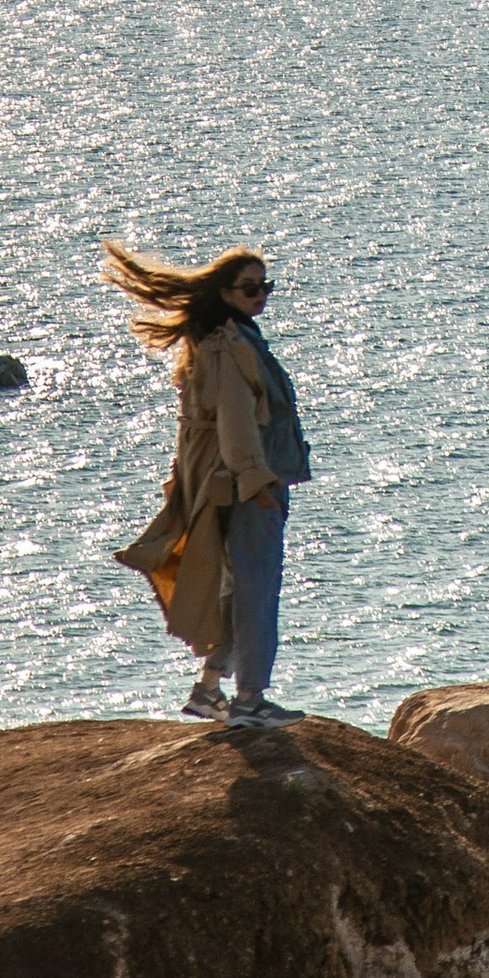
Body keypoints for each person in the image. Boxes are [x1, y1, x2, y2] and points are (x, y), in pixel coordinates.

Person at [101, 237, 313, 727]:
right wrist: (256, 483)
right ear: (223, 293)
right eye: (248, 289)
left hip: (231, 484)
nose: (259, 297)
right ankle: (250, 700)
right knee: (256, 593)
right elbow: (237, 424)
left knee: (241, 593)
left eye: (266, 287)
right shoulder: (229, 349)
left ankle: (209, 690)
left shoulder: (227, 342)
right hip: (245, 487)